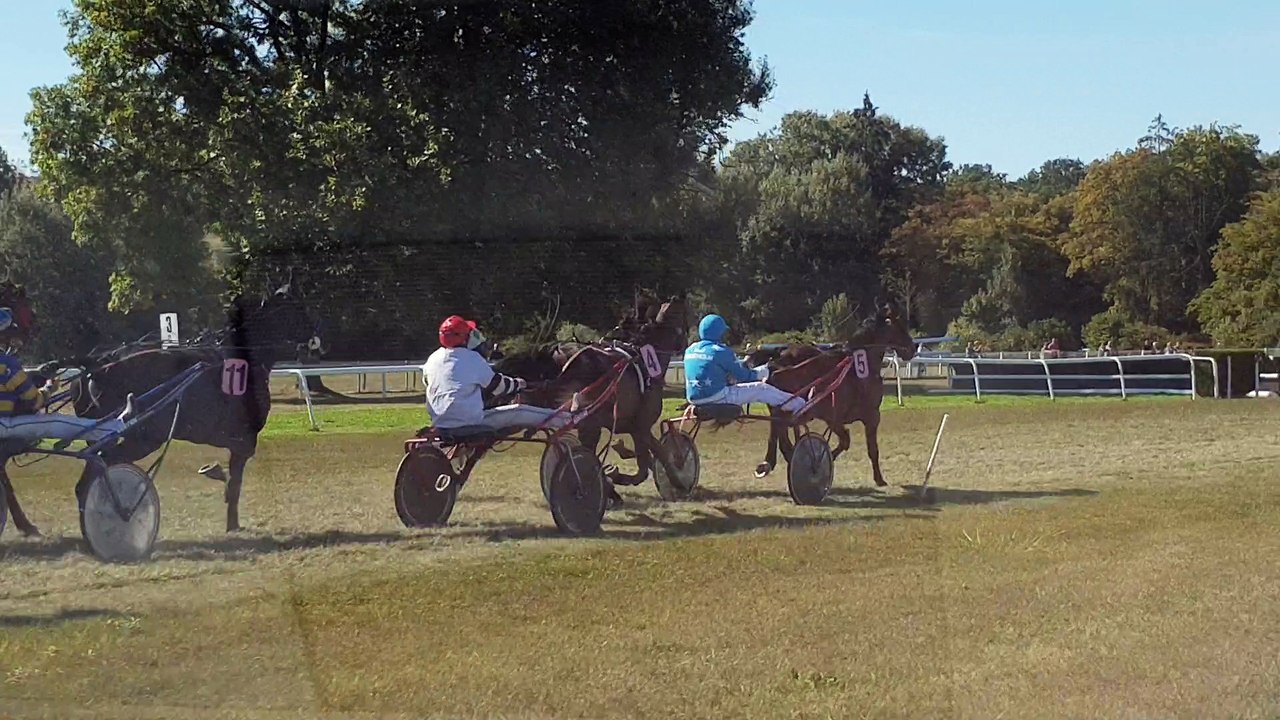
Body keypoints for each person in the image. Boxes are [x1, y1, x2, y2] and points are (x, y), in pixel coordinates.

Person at [423, 315, 583, 432]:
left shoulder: (432, 359)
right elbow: (498, 387)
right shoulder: (472, 358)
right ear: (465, 338)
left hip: (440, 423)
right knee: (519, 410)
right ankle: (569, 419)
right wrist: (520, 384)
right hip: (470, 422)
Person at [0, 308, 125, 446]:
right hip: (3, 425)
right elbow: (33, 401)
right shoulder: (6, 364)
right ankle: (119, 425)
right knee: (54, 421)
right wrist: (49, 389)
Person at [683, 314, 806, 413]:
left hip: (694, 398)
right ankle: (799, 405)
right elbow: (743, 376)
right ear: (719, 333)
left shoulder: (690, 349)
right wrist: (763, 372)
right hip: (718, 397)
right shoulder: (721, 351)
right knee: (761, 389)